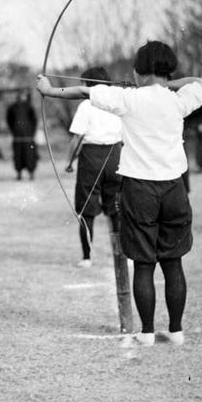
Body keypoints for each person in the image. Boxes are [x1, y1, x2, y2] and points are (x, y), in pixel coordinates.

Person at [37, 41, 202, 347]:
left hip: (140, 189)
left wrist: (49, 90)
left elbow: (84, 92)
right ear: (168, 71)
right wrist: (165, 83)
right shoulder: (178, 100)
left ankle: (145, 333)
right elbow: (201, 82)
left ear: (139, 72)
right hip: (174, 189)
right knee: (173, 263)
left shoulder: (128, 99)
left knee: (144, 263)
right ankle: (177, 330)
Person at [65, 67, 122, 268]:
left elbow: (76, 138)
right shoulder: (117, 101)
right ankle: (122, 256)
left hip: (91, 158)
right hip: (116, 156)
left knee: (86, 209)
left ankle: (87, 258)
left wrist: (70, 162)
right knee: (116, 208)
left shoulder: (86, 105)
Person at [6, 89, 38, 181]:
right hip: (17, 136)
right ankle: (19, 173)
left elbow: (34, 120)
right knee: (18, 155)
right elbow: (9, 121)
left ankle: (31, 173)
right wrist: (14, 131)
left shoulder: (29, 107)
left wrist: (32, 133)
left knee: (30, 155)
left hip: (28, 136)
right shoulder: (12, 108)